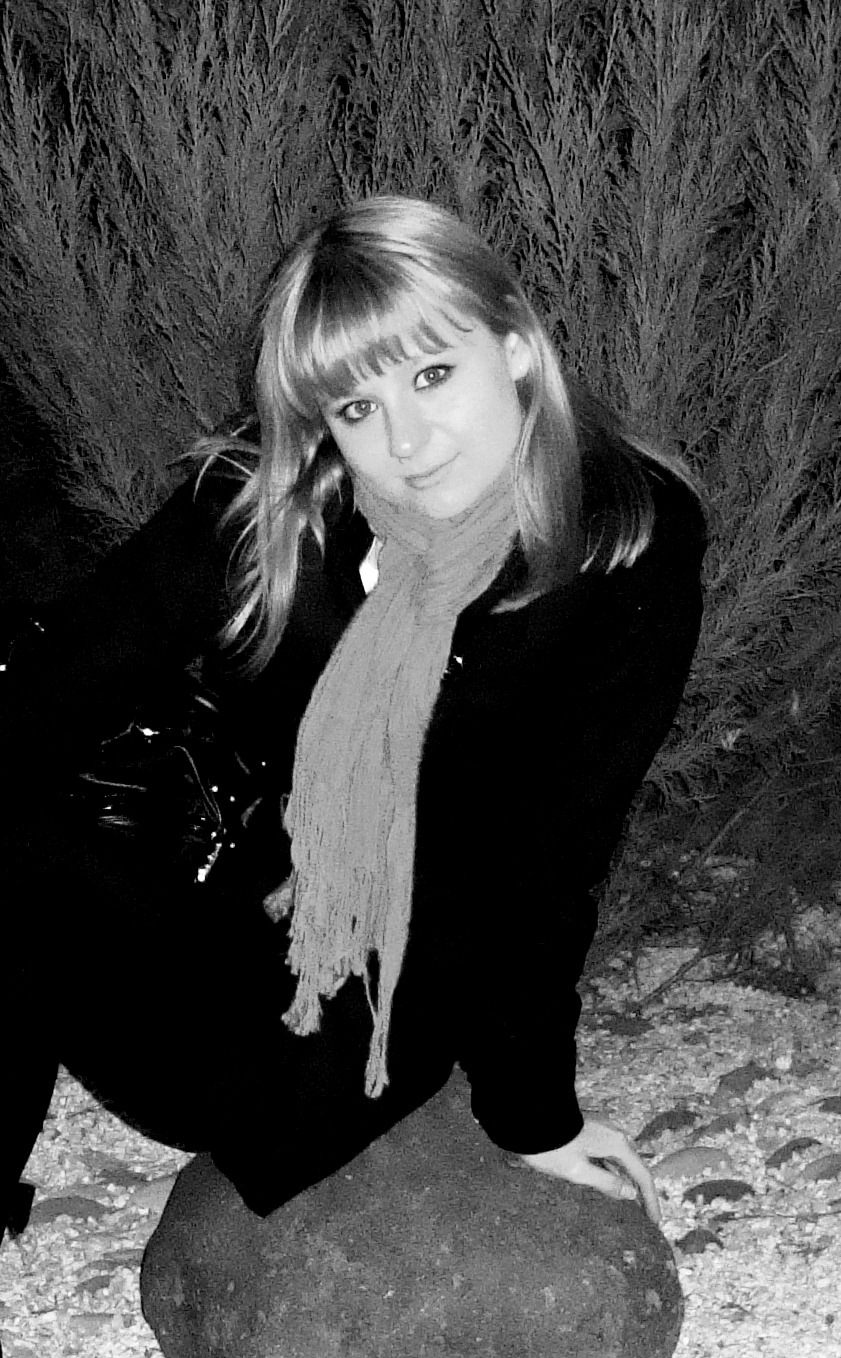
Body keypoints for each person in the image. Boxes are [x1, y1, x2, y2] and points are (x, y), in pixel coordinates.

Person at [0, 195, 706, 1248]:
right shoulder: (273, 503)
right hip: (203, 909)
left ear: (514, 346)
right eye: (357, 406)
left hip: (364, 1002)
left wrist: (533, 1116)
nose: (405, 441)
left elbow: (550, 858)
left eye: (432, 375)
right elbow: (47, 695)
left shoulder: (623, 542)